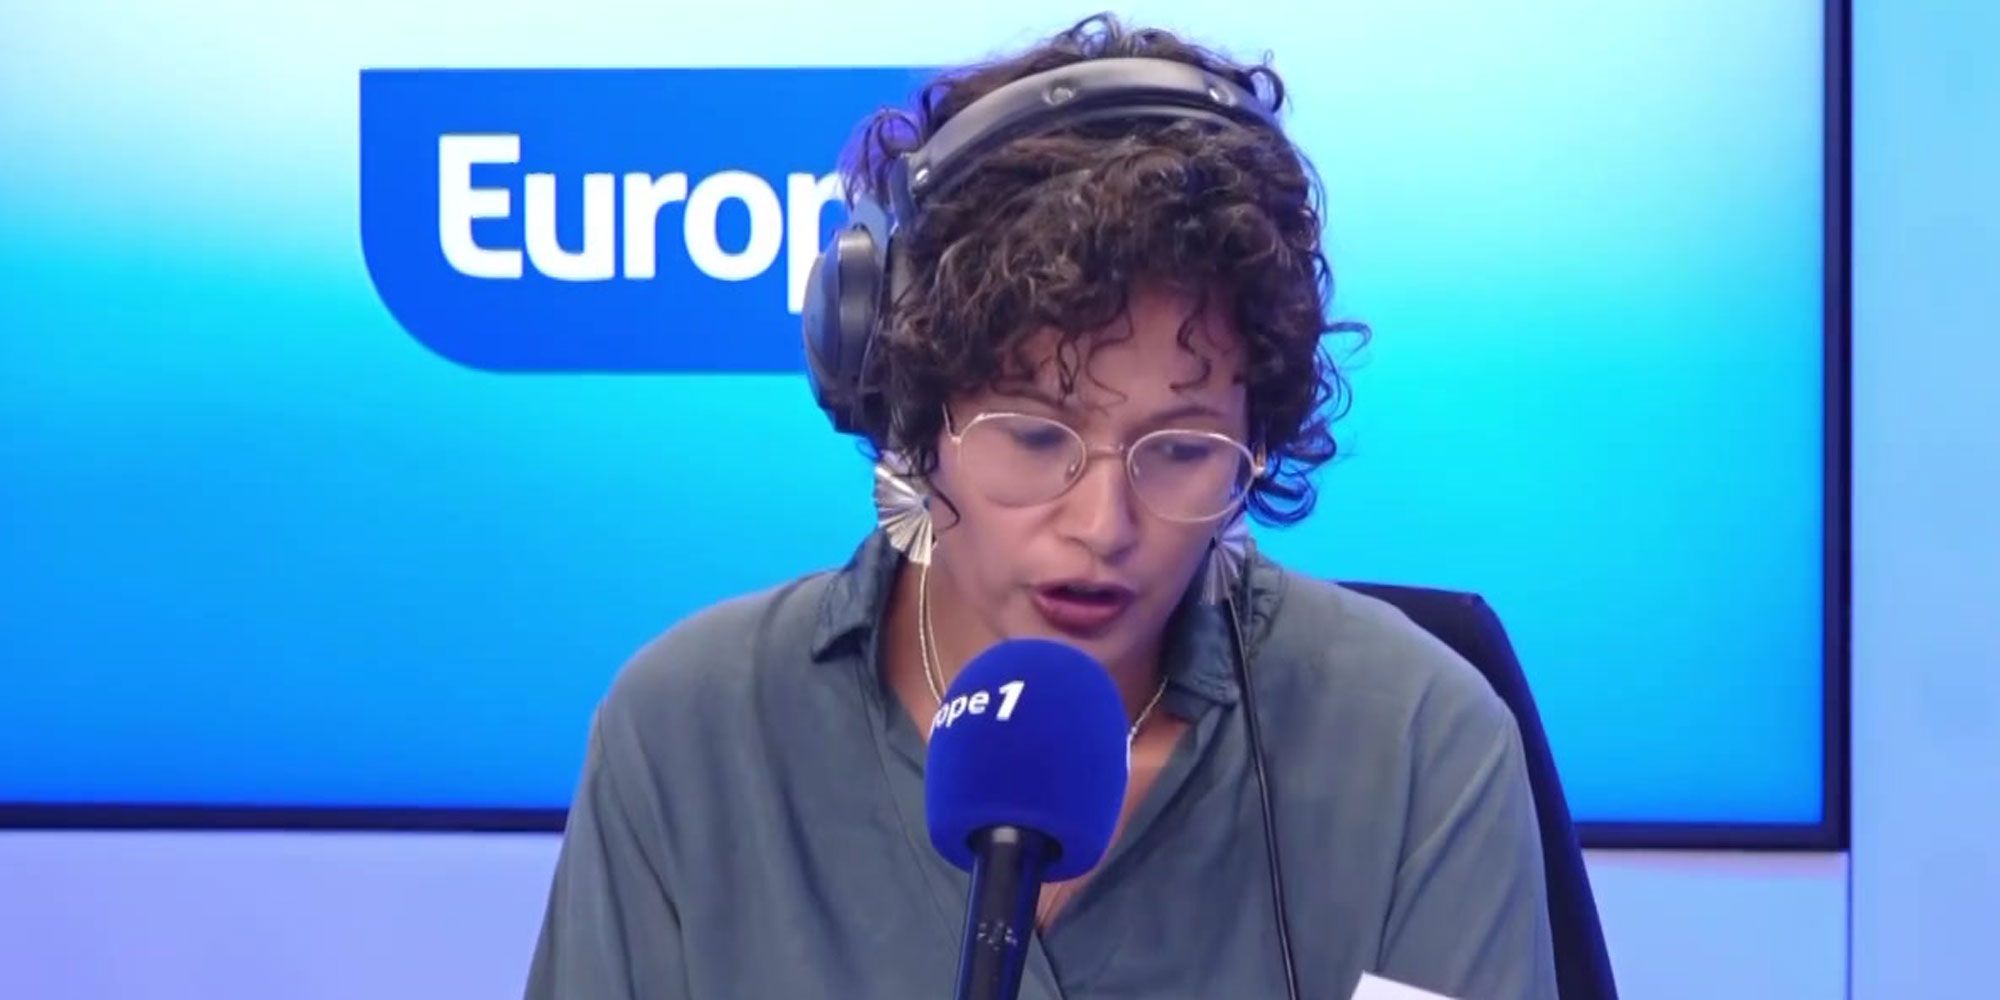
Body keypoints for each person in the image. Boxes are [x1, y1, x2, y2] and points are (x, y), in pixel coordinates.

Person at [524, 13, 1557, 1000]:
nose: (1104, 525)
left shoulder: (1418, 745)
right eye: (1033, 436)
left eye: (1180, 449)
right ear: (912, 411)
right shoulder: (692, 733)